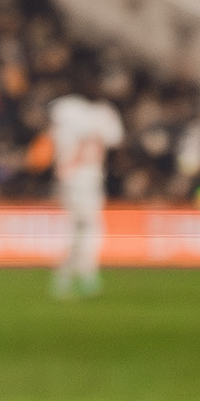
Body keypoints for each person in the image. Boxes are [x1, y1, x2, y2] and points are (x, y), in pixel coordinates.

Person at [44, 73, 128, 299]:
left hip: (70, 175)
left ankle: (66, 275)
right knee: (90, 227)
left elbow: (52, 130)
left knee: (76, 227)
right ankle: (84, 273)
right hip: (85, 177)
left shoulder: (65, 109)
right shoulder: (104, 113)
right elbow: (116, 141)